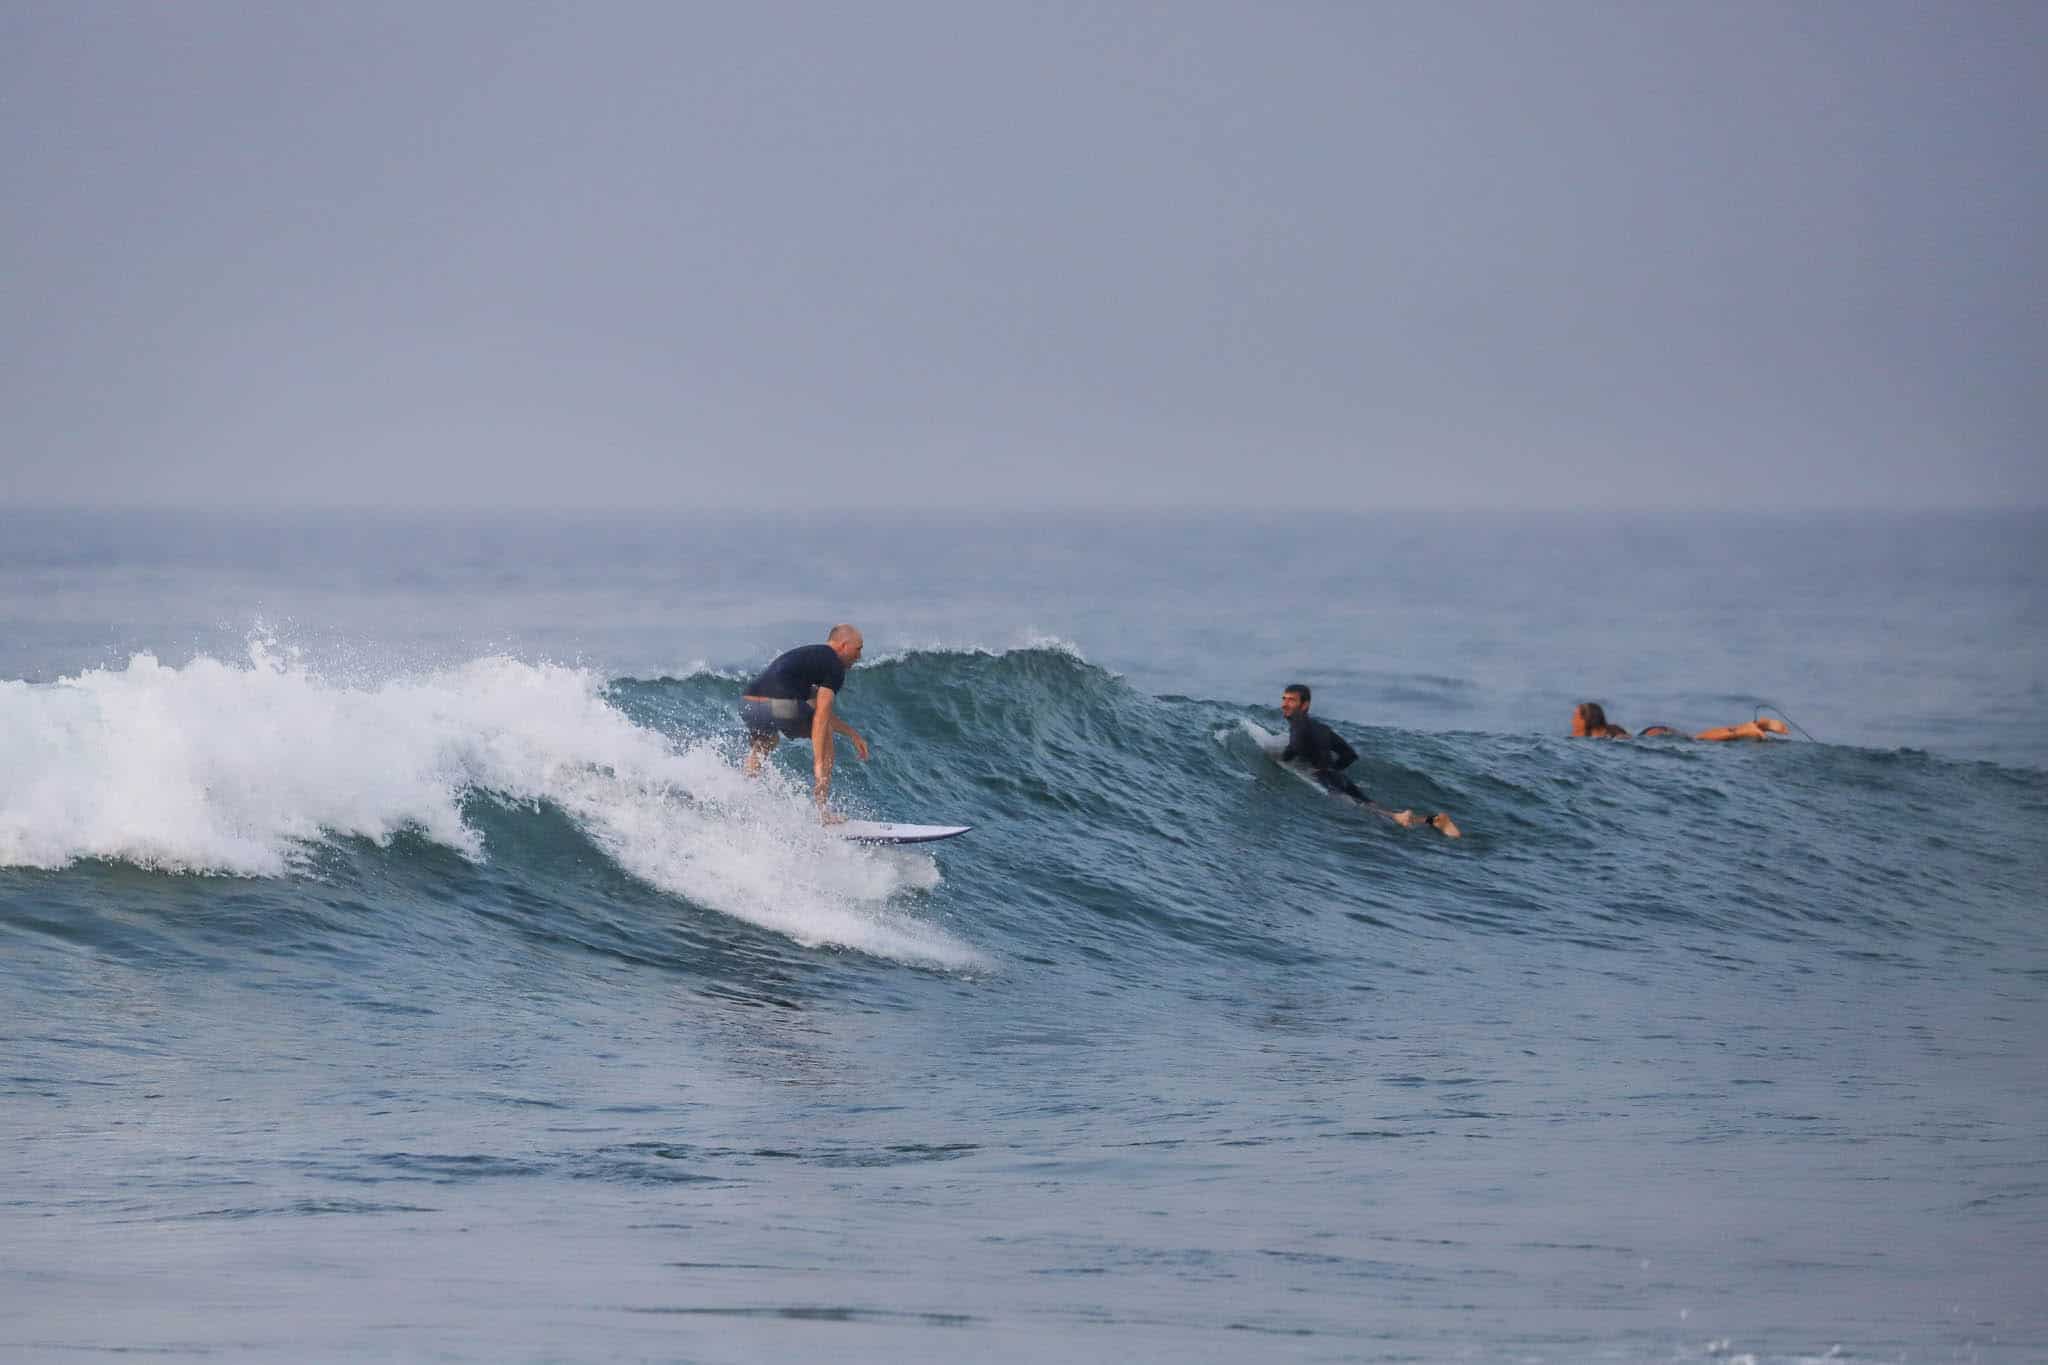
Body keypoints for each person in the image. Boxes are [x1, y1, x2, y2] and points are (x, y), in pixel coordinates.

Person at [1280, 683, 1460, 837]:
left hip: (1326, 779)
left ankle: (1401, 817)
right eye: (1284, 699)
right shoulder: (1322, 728)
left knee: (1366, 810)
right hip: (1337, 777)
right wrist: (1330, 768)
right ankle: (1431, 820)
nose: (1284, 704)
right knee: (1372, 807)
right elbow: (1349, 755)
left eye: (1291, 700)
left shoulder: (1298, 724)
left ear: (1305, 705)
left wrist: (1283, 760)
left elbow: (1295, 747)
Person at [741, 624, 871, 818]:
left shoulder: (808, 659)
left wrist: (851, 733)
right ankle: (823, 812)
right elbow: (821, 716)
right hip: (779, 705)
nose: (859, 656)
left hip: (748, 705)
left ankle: (744, 794)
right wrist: (819, 764)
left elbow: (814, 706)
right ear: (844, 645)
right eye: (858, 648)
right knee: (824, 730)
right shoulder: (834, 665)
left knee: (766, 743)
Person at [1569, 701, 1789, 742]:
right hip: (1653, 732)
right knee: (1698, 738)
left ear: (1585, 720)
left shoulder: (1600, 738)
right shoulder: (1610, 730)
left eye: (1575, 716)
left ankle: (1746, 730)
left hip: (1652, 736)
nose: (1571, 721)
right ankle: (1753, 726)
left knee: (1700, 739)